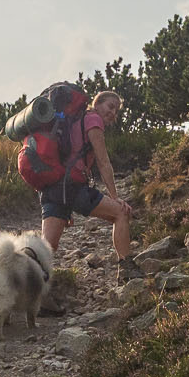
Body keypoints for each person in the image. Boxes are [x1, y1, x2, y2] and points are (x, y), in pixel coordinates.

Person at [40, 90, 133, 279]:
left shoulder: (73, 121)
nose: (113, 113)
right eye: (110, 106)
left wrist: (66, 208)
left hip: (52, 187)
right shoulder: (93, 120)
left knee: (47, 247)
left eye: (116, 110)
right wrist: (115, 198)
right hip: (72, 187)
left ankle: (33, 288)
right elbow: (103, 161)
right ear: (97, 103)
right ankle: (127, 270)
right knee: (120, 212)